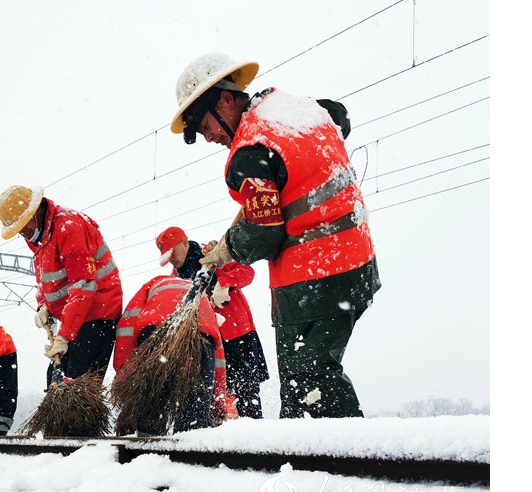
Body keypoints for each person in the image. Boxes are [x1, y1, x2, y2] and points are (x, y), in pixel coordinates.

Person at [170, 52, 380, 419]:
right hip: (357, 264)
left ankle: (347, 463)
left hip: (315, 279)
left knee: (307, 383)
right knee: (313, 378)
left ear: (225, 99)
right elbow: (339, 116)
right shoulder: (295, 110)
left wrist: (229, 248)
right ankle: (333, 457)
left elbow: (264, 236)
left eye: (206, 127)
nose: (209, 138)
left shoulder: (250, 156)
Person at [0, 184, 123, 387]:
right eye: (18, 231)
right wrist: (43, 306)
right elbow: (46, 283)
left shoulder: (68, 227)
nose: (23, 234)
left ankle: (79, 419)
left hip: (96, 317)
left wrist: (64, 336)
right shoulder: (42, 242)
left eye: (24, 226)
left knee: (74, 386)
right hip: (73, 321)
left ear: (35, 211)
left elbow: (84, 286)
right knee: (55, 382)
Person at [156, 226, 269, 418]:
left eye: (173, 252)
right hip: (209, 343)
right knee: (216, 398)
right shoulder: (176, 277)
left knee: (246, 394)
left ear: (184, 242)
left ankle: (253, 438)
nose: (172, 260)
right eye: (167, 257)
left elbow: (246, 271)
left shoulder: (213, 255)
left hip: (236, 334)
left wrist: (224, 283)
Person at [113, 274, 228, 435]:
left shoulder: (152, 284)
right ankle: (189, 450)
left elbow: (126, 330)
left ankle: (146, 450)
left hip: (156, 331)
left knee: (151, 408)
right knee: (194, 421)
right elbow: (219, 363)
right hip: (203, 337)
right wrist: (218, 402)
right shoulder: (206, 306)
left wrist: (127, 383)